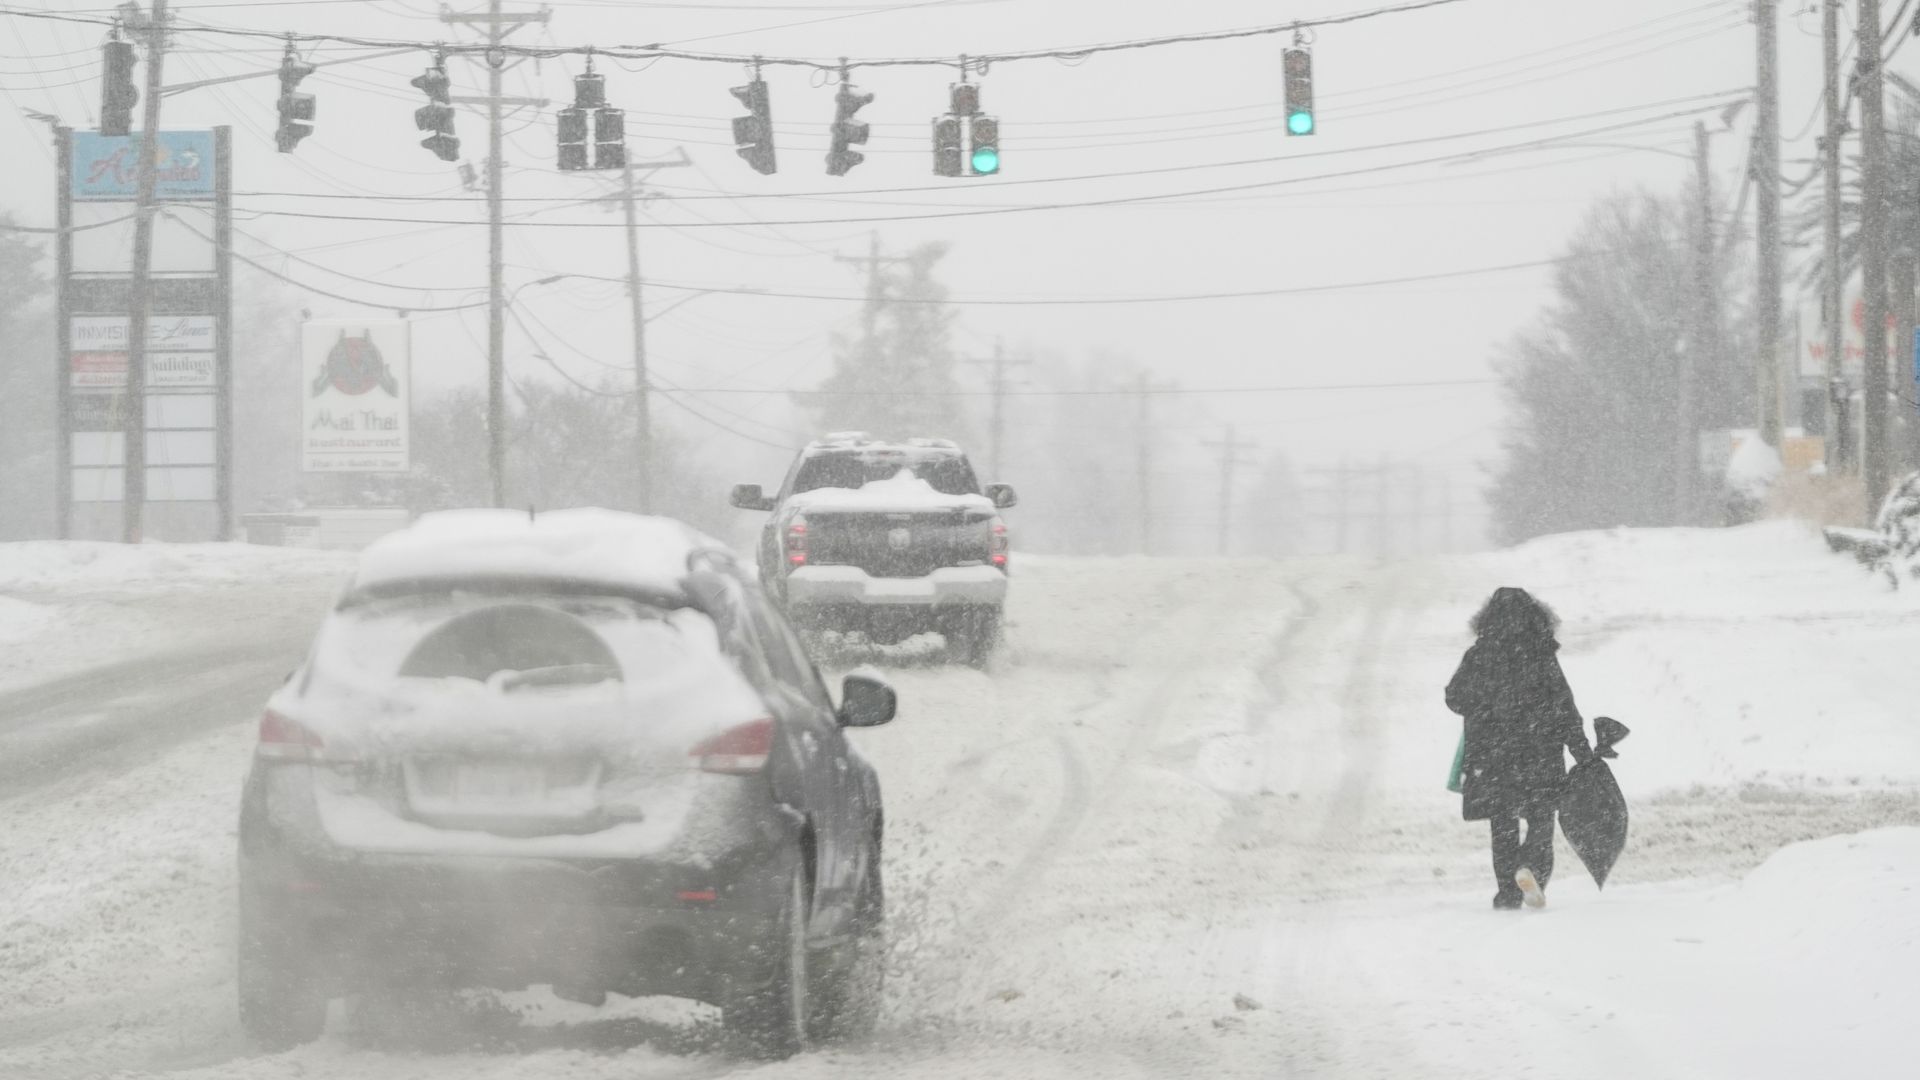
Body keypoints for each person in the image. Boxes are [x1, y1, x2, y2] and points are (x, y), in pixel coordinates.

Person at [1445, 587, 1594, 910]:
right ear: (1535, 616)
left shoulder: (1479, 654)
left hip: (1493, 755)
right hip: (1540, 751)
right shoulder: (1541, 654)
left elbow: (1454, 697)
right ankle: (1531, 868)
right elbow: (1564, 705)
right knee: (1541, 818)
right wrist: (1581, 748)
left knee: (1503, 825)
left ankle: (1507, 892)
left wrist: (1484, 706)